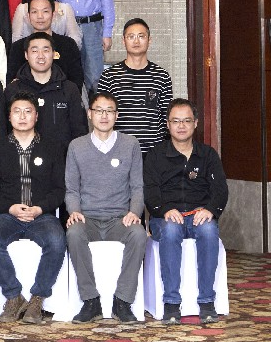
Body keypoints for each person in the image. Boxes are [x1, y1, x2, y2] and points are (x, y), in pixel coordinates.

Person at [63, 92, 149, 323]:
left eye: (109, 111)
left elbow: (137, 186)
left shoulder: (130, 144)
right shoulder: (77, 146)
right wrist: (74, 211)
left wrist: (134, 212)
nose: (104, 116)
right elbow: (72, 189)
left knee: (138, 235)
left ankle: (123, 301)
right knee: (73, 233)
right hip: (88, 218)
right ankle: (91, 300)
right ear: (89, 114)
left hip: (119, 219)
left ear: (116, 115)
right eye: (99, 110)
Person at [0, 93, 68, 324]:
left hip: (42, 215)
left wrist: (39, 208)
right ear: (9, 117)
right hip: (8, 215)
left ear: (36, 116)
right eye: (17, 111)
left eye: (28, 111)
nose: (22, 116)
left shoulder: (52, 147)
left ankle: (37, 299)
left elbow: (60, 189)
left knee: (57, 240)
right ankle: (13, 296)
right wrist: (9, 208)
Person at [146, 99, 225, 324]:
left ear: (196, 123)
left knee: (209, 230)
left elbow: (220, 189)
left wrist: (210, 210)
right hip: (166, 217)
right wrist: (164, 210)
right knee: (171, 230)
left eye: (187, 121)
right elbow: (149, 191)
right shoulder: (156, 155)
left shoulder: (208, 155)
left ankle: (207, 302)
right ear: (167, 124)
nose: (181, 126)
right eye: (176, 121)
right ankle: (171, 303)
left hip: (198, 215)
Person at [100, 20, 173, 154]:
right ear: (123, 41)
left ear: (149, 40)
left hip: (154, 153)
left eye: (141, 36)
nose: (136, 41)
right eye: (131, 36)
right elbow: (101, 116)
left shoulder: (161, 76)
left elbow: (167, 116)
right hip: (118, 151)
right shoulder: (109, 76)